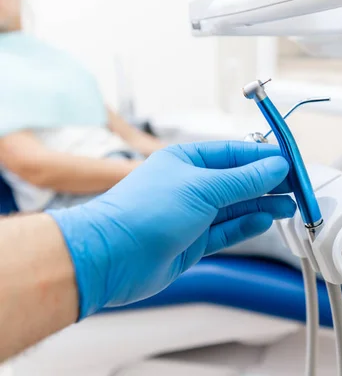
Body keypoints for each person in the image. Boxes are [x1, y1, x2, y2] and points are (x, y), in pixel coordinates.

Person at [0, 140, 297, 362]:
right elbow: (33, 164)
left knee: (270, 219)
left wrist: (173, 167)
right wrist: (97, 248)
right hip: (89, 194)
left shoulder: (71, 78)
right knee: (282, 230)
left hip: (138, 176)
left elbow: (134, 136)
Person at [0, 0, 165, 212]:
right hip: (74, 199)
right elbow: (33, 165)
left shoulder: (60, 62)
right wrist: (152, 171)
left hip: (127, 168)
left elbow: (131, 137)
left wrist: (190, 160)